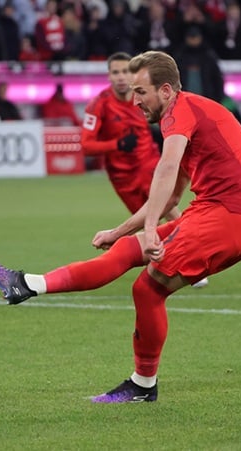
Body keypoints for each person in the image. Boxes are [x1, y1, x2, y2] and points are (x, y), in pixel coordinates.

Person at [0, 50, 241, 403]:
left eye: (140, 92)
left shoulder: (180, 112)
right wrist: (120, 231)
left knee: (148, 290)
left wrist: (150, 229)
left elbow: (165, 168)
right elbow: (169, 195)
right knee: (125, 250)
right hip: (215, 211)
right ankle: (26, 284)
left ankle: (142, 385)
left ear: (165, 91)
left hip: (228, 217)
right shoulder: (188, 115)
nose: (134, 101)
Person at [80, 52, 209, 288]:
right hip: (121, 176)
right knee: (148, 222)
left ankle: (195, 259)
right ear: (109, 76)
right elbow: (86, 145)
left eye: (125, 72)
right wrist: (116, 145)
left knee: (167, 207)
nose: (121, 77)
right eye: (115, 72)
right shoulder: (98, 105)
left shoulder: (144, 97)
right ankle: (174, 261)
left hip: (148, 164)